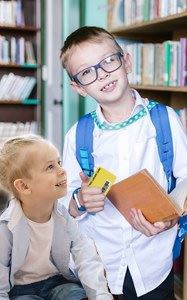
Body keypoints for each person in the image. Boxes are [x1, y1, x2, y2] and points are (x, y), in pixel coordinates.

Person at [60, 26, 187, 300]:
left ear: (126, 61)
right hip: (99, 265)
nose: (102, 74)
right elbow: (62, 202)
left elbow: (186, 180)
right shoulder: (78, 135)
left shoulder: (164, 121)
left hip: (153, 263)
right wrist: (78, 200)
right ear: (78, 87)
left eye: (108, 61)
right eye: (86, 72)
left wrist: (170, 217)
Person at [0, 135, 113, 300]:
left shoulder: (63, 216)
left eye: (58, 163)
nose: (62, 170)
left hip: (57, 282)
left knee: (75, 295)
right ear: (24, 186)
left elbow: (85, 256)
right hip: (20, 291)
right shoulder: (6, 227)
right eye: (50, 167)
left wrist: (101, 296)